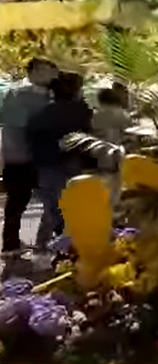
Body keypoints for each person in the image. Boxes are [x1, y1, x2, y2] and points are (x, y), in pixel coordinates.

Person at [27, 71, 93, 249]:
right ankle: (71, 246)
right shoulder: (81, 112)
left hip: (44, 165)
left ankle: (62, 245)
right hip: (72, 164)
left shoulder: (40, 114)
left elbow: (30, 140)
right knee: (73, 207)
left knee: (55, 209)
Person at [0, 58, 58, 254]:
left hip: (34, 157)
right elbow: (20, 125)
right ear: (32, 72)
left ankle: (35, 242)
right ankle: (11, 244)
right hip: (20, 157)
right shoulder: (17, 94)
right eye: (45, 71)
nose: (50, 76)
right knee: (18, 201)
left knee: (44, 200)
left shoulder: (47, 94)